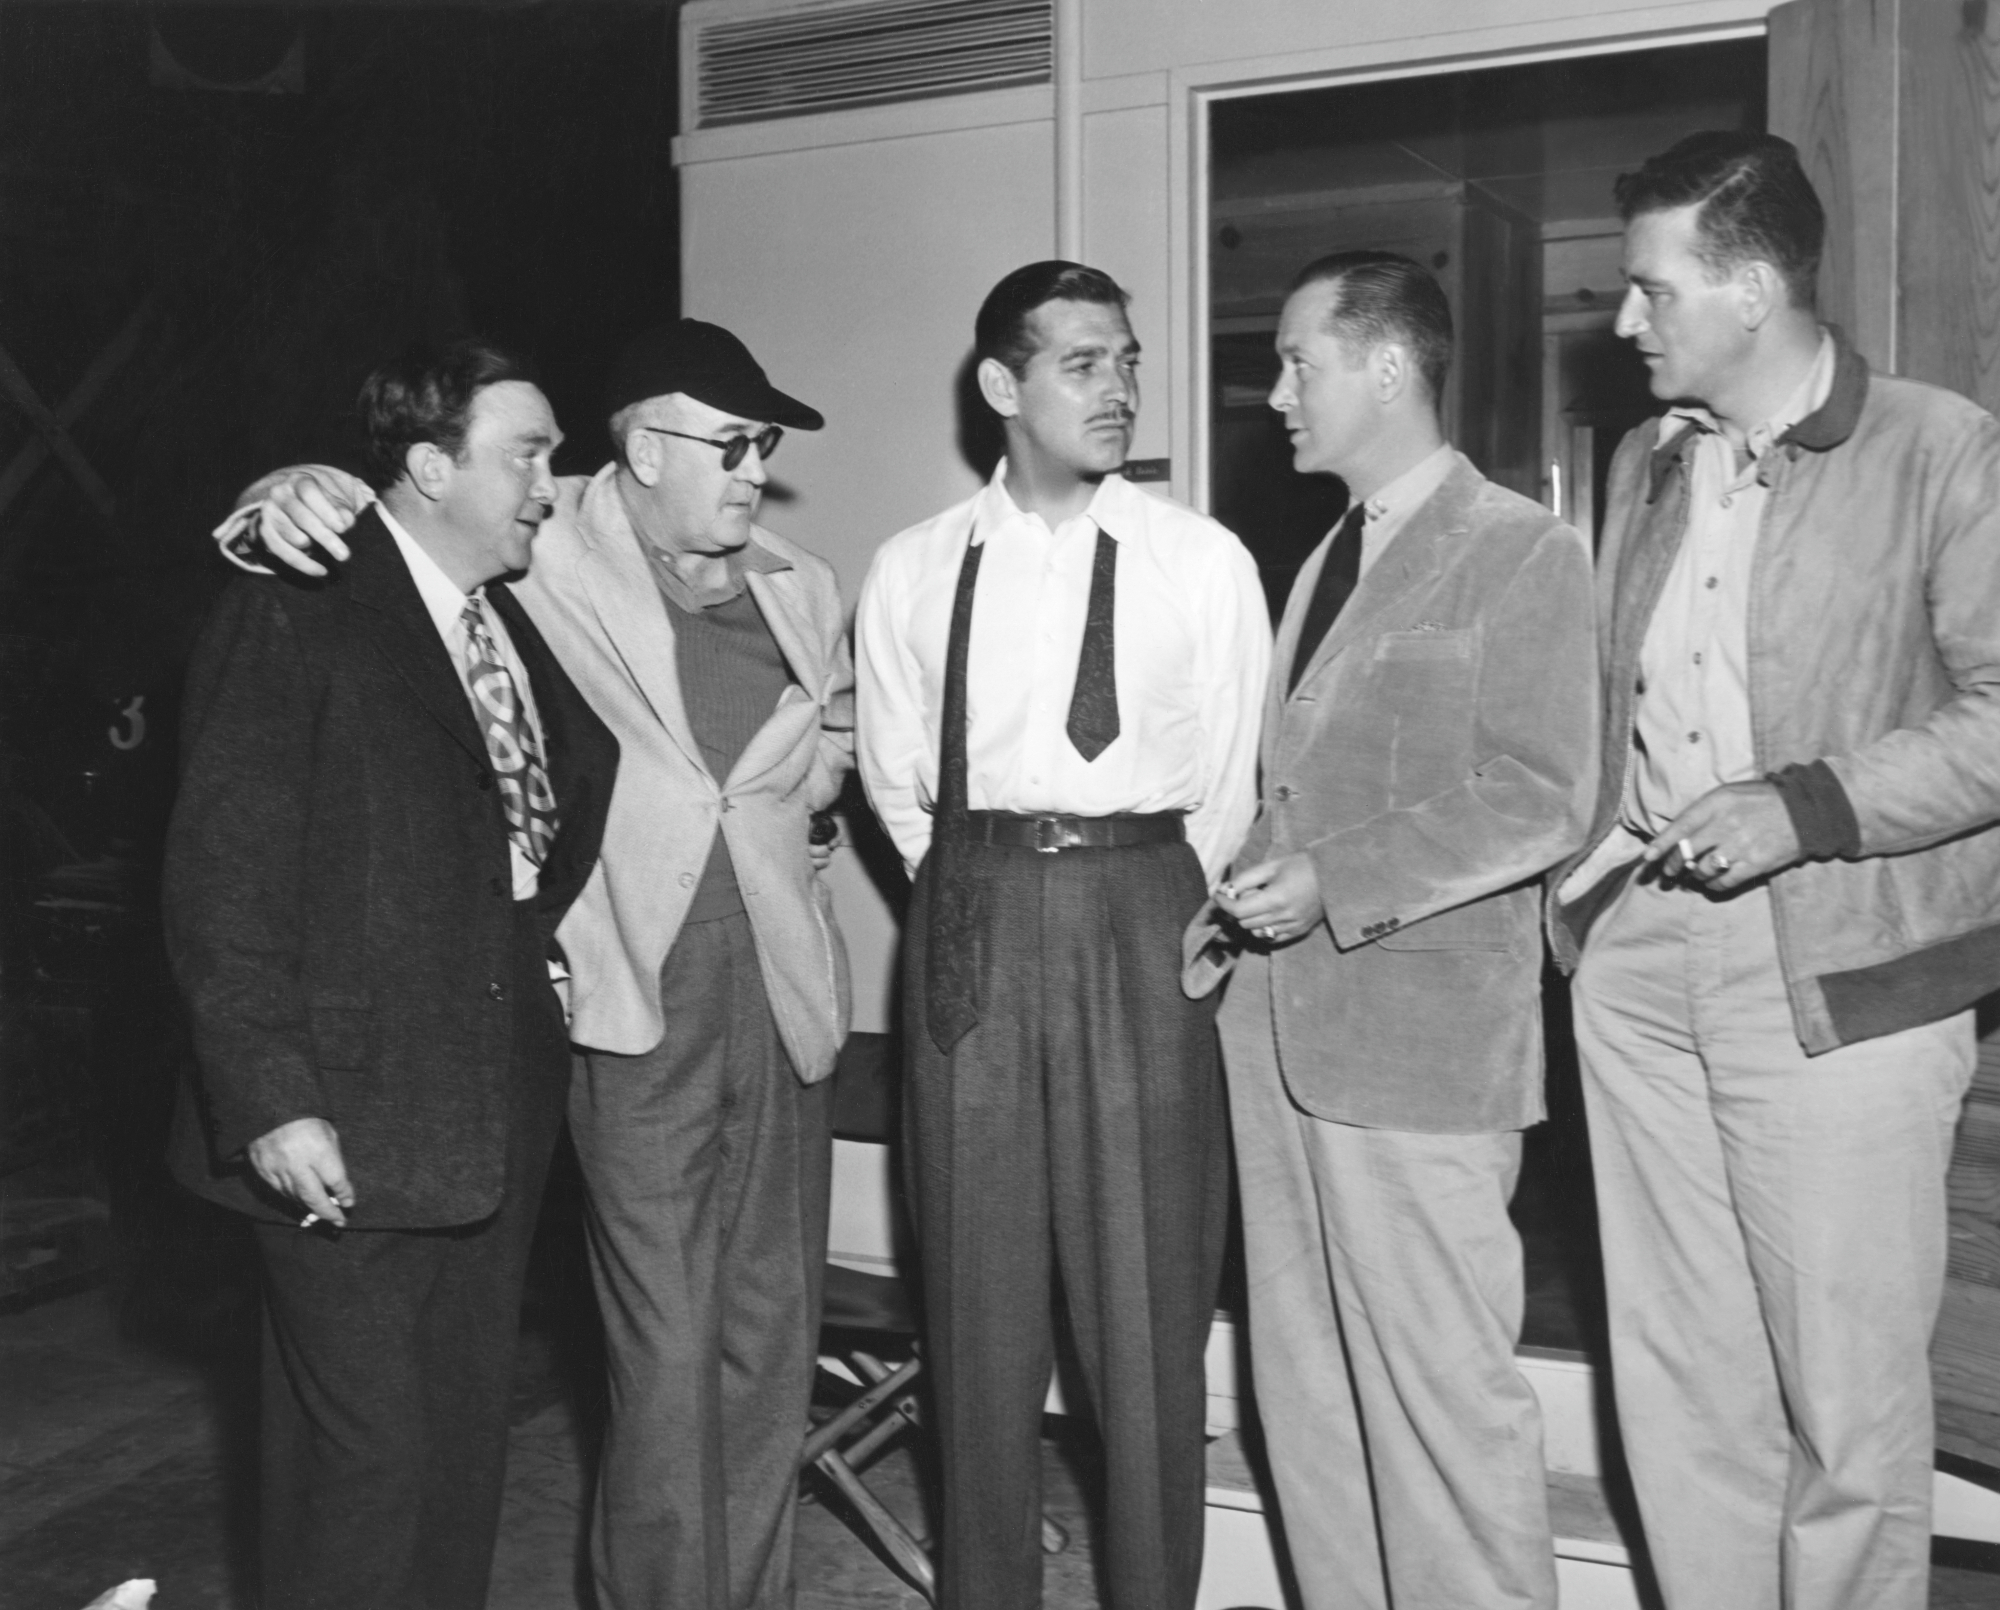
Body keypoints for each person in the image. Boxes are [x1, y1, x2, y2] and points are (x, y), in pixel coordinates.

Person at [222, 320, 854, 1610]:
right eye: (733, 441)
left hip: (780, 999)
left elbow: (822, 742)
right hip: (628, 995)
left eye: (765, 444)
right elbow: (396, 501)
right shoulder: (543, 537)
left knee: (767, 1347)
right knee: (663, 1357)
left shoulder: (802, 584)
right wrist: (273, 495)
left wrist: (814, 795)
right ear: (639, 445)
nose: (757, 470)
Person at [1552, 130, 2000, 1610]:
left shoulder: (1942, 446)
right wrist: (1584, 904)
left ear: (1750, 290)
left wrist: (1810, 805)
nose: (1625, 322)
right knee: (1679, 1382)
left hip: (1841, 973)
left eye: (1651, 290)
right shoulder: (1647, 462)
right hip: (1642, 965)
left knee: (1847, 1402)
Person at [165, 338, 619, 1610]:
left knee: (460, 1451)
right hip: (338, 1112)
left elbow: (526, 818)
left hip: (485, 1105)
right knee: (359, 1469)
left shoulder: (500, 616)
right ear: (429, 466)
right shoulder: (297, 601)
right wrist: (267, 1092)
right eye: (526, 451)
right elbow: (222, 872)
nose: (552, 477)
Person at [1181, 251, 1597, 1609]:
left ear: (1386, 367)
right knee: (1308, 1399)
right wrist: (1238, 893)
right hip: (1282, 1040)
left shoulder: (1521, 548)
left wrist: (1332, 881)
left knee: (1442, 1414)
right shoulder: (1325, 560)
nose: (1277, 387)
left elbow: (1542, 791)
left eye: (1298, 359)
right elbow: (1303, 783)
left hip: (1419, 1058)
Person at [855, 260, 1270, 1610]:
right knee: (973, 1314)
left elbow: (1227, 777)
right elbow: (897, 780)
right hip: (971, 909)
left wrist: (1131, 895)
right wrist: (984, 886)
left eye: (1127, 359)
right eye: (1084, 362)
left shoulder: (1199, 560)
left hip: (1142, 904)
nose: (1119, 387)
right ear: (1002, 386)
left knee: (1145, 1313)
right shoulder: (916, 567)